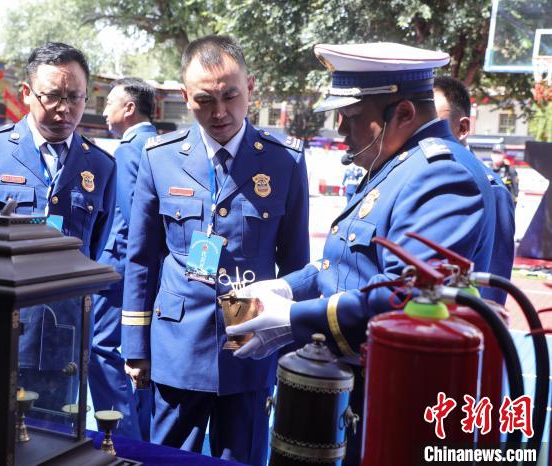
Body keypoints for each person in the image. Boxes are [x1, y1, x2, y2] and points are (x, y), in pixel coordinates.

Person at [228, 42, 500, 463]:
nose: (340, 129)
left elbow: (402, 299)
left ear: (404, 114)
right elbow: (345, 263)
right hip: (354, 392)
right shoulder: (394, 164)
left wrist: (293, 319)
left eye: (352, 117)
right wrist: (287, 286)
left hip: (395, 399)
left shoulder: (441, 174)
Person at [121, 35, 309, 465]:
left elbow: (296, 264)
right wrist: (135, 344)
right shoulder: (160, 158)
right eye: (205, 100)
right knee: (167, 458)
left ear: (251, 88)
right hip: (177, 343)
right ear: (185, 97)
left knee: (241, 458)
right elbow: (142, 259)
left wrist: (292, 344)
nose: (220, 112)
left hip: (249, 338)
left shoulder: (285, 162)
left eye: (231, 95)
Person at [0, 42, 116, 412]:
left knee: (54, 439)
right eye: (52, 96)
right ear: (26, 93)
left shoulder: (101, 166)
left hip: (65, 339)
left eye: (75, 97)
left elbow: (96, 245)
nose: (64, 109)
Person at [89, 77, 158, 440]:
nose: (103, 111)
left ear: (129, 108)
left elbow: (137, 223)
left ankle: (121, 437)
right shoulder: (161, 144)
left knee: (102, 350)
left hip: (121, 272)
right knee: (143, 361)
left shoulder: (132, 148)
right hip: (145, 274)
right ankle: (142, 434)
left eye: (109, 103)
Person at [434, 76, 515, 304]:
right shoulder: (412, 174)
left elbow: (491, 283)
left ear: (462, 128)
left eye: (435, 126)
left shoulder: (491, 189)